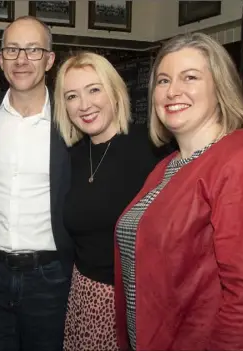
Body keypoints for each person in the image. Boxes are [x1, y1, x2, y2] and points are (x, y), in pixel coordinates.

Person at [115, 32, 243, 350]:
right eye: (163, 81)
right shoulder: (167, 167)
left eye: (190, 77)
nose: (173, 90)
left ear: (220, 86)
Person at [0, 16, 73, 351]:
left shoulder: (72, 119)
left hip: (49, 278)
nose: (22, 60)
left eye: (33, 50)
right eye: (12, 50)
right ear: (0, 59)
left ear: (50, 59)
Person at [53, 51, 166, 351]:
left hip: (134, 301)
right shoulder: (72, 158)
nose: (84, 104)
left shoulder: (153, 148)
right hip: (83, 297)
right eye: (72, 96)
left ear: (115, 92)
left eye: (94, 89)